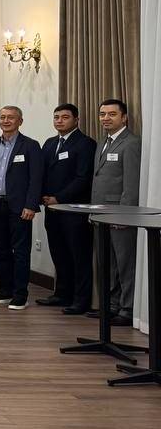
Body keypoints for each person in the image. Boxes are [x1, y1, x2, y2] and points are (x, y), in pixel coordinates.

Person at [0, 105, 44, 311]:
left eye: (11, 117)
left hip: (20, 207)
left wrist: (31, 205)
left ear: (20, 121)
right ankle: (5, 290)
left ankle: (20, 295)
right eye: (3, 117)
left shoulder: (30, 146)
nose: (6, 121)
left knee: (21, 251)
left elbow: (36, 179)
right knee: (1, 249)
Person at [38, 103, 96, 312]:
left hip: (74, 210)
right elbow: (41, 172)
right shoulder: (50, 143)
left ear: (76, 120)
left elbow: (83, 178)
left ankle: (81, 300)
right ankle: (62, 294)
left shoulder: (85, 143)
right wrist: (42, 196)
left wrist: (59, 198)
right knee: (59, 253)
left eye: (65, 117)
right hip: (52, 209)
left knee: (79, 255)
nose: (59, 121)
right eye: (56, 117)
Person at [91, 98, 142, 326]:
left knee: (124, 263)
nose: (105, 118)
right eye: (102, 114)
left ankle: (127, 309)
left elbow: (131, 184)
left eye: (112, 114)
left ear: (124, 118)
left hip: (119, 214)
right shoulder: (102, 142)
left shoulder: (131, 143)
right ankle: (110, 306)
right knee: (107, 263)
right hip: (100, 213)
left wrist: (124, 215)